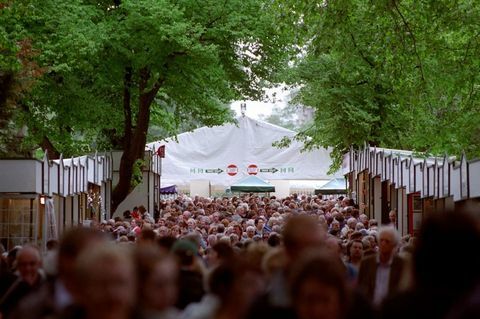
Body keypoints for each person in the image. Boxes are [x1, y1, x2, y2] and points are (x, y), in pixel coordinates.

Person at [357, 226, 405, 307]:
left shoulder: (401, 264)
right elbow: (360, 287)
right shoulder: (366, 263)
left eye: (387, 241)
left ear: (394, 244)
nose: (383, 244)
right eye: (381, 240)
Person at [0, 245, 46, 318]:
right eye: (23, 264)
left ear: (39, 264)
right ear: (18, 266)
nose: (27, 268)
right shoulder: (13, 286)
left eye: (32, 264)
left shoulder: (49, 286)